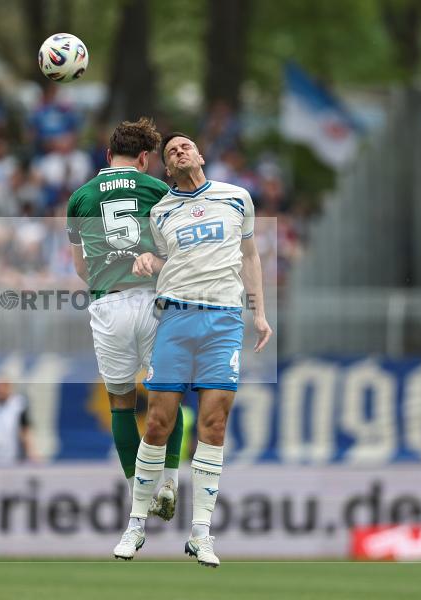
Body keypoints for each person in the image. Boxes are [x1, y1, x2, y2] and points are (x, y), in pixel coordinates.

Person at [113, 133, 271, 566]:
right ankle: (136, 525)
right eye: (170, 152)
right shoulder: (161, 211)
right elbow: (167, 260)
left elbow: (250, 256)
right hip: (178, 318)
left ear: (201, 155)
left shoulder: (237, 198)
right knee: (159, 422)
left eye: (185, 147)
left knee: (214, 424)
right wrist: (148, 260)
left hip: (223, 320)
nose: (179, 152)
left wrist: (258, 313)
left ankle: (201, 533)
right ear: (166, 169)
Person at [66, 117, 184, 523]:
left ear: (107, 155)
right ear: (145, 158)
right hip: (154, 299)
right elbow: (178, 250)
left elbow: (81, 267)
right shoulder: (157, 189)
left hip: (109, 305)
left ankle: (139, 493)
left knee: (121, 404)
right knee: (165, 395)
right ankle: (168, 480)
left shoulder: (80, 197)